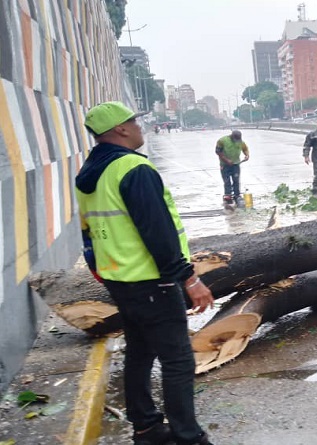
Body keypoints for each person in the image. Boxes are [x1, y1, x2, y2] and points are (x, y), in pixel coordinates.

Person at [75, 101, 215, 445]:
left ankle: (147, 427)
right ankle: (187, 436)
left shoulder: (90, 172)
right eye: (134, 122)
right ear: (120, 129)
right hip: (152, 280)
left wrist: (100, 270)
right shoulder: (133, 169)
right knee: (177, 359)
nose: (139, 127)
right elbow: (158, 232)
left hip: (121, 279)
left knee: (139, 352)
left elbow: (88, 231)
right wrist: (190, 278)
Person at [215, 130, 249, 207]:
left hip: (236, 164)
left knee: (236, 180)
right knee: (227, 181)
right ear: (232, 136)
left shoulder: (240, 142)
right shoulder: (222, 141)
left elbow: (245, 149)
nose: (237, 141)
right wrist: (226, 160)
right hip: (225, 165)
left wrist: (247, 155)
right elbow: (218, 151)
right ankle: (228, 196)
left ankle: (237, 195)